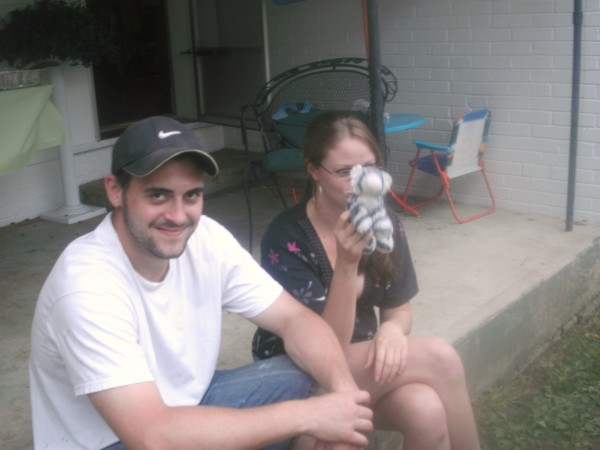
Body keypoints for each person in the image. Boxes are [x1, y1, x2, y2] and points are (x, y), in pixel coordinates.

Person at [29, 116, 375, 450]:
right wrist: (307, 417)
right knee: (308, 410)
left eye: (191, 195)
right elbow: (152, 438)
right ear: (115, 191)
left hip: (192, 403)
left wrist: (343, 396)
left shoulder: (207, 240)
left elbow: (294, 319)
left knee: (315, 372)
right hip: (116, 440)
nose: (178, 216)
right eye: (158, 195)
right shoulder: (86, 286)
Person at [252, 111, 482, 450]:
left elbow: (399, 309)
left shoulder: (383, 223)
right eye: (345, 172)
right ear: (313, 170)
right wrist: (347, 266)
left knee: (426, 410)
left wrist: (392, 330)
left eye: (369, 168)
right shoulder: (287, 237)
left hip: (359, 363)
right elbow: (325, 347)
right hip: (300, 368)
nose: (359, 181)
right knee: (440, 357)